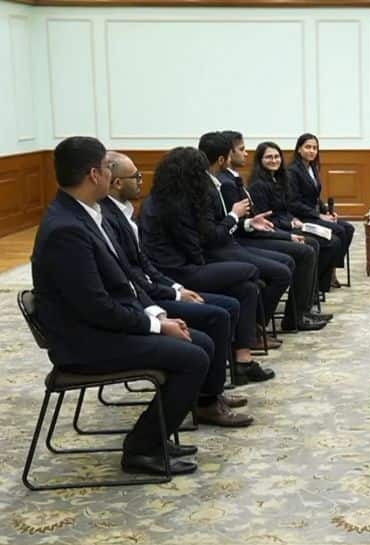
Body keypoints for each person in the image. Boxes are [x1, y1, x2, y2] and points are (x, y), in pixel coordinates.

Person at [32, 136, 209, 476]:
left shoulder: (84, 214)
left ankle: (155, 434)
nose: (110, 176)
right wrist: (158, 327)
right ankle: (141, 450)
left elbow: (125, 278)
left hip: (100, 327)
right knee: (193, 357)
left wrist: (157, 313)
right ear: (94, 174)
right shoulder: (66, 229)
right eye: (106, 168)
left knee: (199, 342)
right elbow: (96, 307)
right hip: (84, 342)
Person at [103, 151, 253, 427]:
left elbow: (143, 264)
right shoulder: (125, 214)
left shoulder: (131, 210)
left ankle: (212, 392)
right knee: (223, 310)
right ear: (115, 183)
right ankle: (207, 400)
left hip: (162, 284)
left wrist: (175, 289)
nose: (140, 181)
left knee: (239, 293)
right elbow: (131, 277)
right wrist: (170, 296)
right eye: (135, 176)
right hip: (152, 293)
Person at [139, 146, 276, 383]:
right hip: (178, 273)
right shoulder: (173, 205)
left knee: (247, 288)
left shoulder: (171, 199)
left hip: (187, 266)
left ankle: (242, 360)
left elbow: (199, 241)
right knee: (250, 270)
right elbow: (194, 249)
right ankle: (241, 351)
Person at [217, 130, 328, 331]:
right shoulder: (246, 184)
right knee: (306, 248)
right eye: (269, 157)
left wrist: (293, 223)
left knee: (313, 243)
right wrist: (287, 234)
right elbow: (253, 223)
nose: (245, 153)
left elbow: (279, 212)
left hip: (260, 230)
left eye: (277, 156)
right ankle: (291, 317)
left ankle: (302, 309)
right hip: (249, 238)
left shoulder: (267, 179)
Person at [247, 141, 343, 294]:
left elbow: (286, 208)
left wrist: (294, 219)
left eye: (277, 157)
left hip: (290, 224)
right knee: (316, 244)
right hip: (276, 231)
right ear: (260, 161)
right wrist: (291, 225)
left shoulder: (279, 179)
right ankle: (308, 294)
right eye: (268, 157)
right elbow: (267, 219)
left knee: (332, 239)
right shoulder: (258, 185)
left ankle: (315, 288)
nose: (274, 160)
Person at [287, 132, 356, 287]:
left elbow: (315, 196)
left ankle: (331, 270)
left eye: (315, 148)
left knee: (348, 228)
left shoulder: (312, 168)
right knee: (337, 231)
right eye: (308, 147)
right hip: (302, 217)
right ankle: (324, 277)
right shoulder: (292, 171)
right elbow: (293, 203)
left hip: (314, 214)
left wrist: (326, 211)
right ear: (299, 149)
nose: (312, 151)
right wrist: (319, 215)